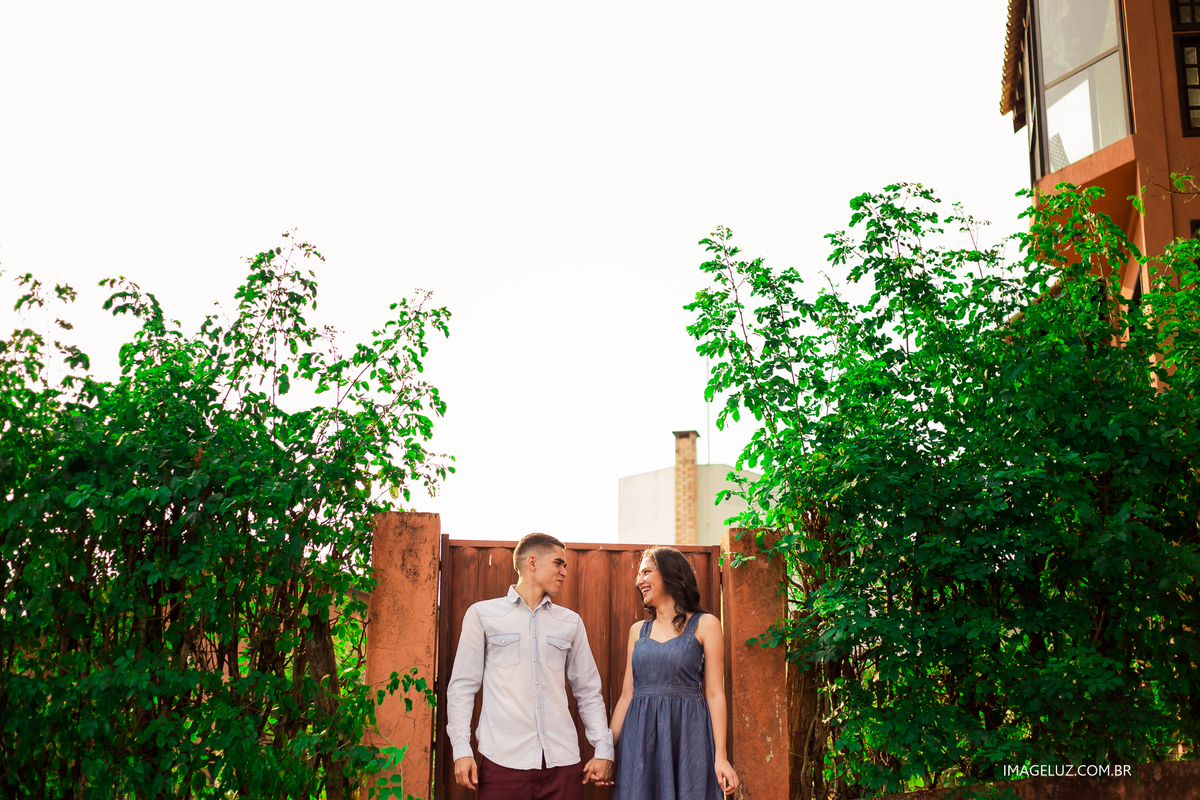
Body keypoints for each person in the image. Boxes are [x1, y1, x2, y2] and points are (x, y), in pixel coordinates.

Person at [446, 532, 614, 799]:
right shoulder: (483, 615)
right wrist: (461, 749)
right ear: (532, 563)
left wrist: (603, 749)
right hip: (502, 764)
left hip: (563, 764)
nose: (564, 572)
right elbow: (462, 689)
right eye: (559, 563)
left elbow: (588, 691)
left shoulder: (570, 622)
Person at [609, 546, 740, 799]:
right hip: (639, 741)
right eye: (639, 575)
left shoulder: (706, 624)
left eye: (646, 572)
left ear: (670, 574)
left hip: (688, 738)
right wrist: (605, 751)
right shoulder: (637, 631)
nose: (639, 581)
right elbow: (627, 696)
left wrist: (720, 757)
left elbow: (714, 694)